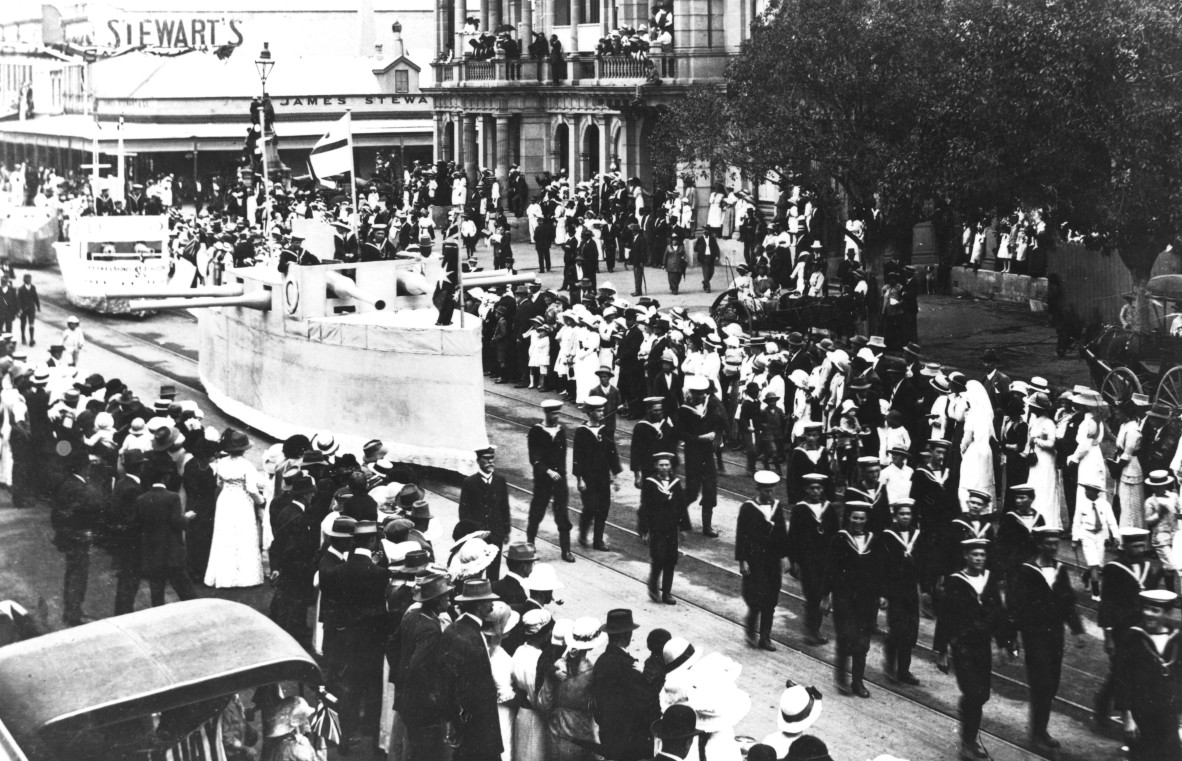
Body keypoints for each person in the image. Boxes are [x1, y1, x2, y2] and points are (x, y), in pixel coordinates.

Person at [933, 539, 1014, 761]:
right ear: (966, 556)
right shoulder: (956, 582)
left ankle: (968, 732)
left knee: (982, 695)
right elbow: (946, 618)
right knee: (974, 693)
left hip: (983, 648)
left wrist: (1004, 644)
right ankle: (968, 742)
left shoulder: (989, 581)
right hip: (963, 648)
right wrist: (942, 650)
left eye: (982, 555)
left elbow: (998, 613)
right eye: (974, 554)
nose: (979, 558)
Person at [1007, 526, 1084, 751]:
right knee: (1042, 683)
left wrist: (1077, 629)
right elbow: (1015, 605)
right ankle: (1037, 734)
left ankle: (1040, 729)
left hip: (1055, 636)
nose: (1053, 547)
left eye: (1056, 543)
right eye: (1049, 543)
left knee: (1052, 685)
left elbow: (1068, 602)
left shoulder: (1060, 570)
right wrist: (1012, 637)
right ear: (1039, 543)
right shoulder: (1026, 570)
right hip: (1034, 636)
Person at [1094, 527, 1163, 728]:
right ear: (1125, 546)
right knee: (1118, 672)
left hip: (1141, 630)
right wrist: (1108, 636)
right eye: (1135, 546)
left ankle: (1132, 714)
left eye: (1142, 545)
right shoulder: (1114, 568)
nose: (1140, 549)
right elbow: (1106, 603)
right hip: (1120, 629)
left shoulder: (1148, 567)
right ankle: (1102, 707)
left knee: (1136, 671)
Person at [1113, 589, 1181, 761]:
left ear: (1168, 613)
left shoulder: (1177, 639)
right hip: (1141, 714)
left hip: (1169, 713)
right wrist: (1127, 718)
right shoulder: (1132, 638)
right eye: (1146, 608)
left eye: (1155, 610)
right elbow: (1122, 679)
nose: (1148, 614)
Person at [395, 573, 452, 761]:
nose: (449, 598)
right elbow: (417, 666)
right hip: (423, 705)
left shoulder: (412, 616)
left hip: (406, 697)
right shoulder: (432, 628)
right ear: (436, 600)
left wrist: (400, 677)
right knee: (426, 752)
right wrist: (432, 695)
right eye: (445, 596)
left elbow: (391, 645)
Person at [824, 501, 878, 697]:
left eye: (862, 518)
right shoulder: (840, 539)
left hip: (867, 602)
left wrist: (881, 595)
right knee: (846, 639)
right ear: (848, 518)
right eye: (855, 517)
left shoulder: (872, 540)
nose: (858, 521)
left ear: (866, 520)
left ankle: (858, 682)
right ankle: (841, 679)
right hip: (844, 600)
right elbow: (829, 569)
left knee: (862, 644)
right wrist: (826, 596)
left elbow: (879, 571)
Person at [591, 609, 656, 761]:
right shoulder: (628, 667)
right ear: (627, 635)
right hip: (629, 740)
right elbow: (643, 705)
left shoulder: (601, 661)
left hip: (607, 733)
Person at [204, 430, 266, 588]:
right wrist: (261, 500)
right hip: (241, 500)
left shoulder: (221, 463)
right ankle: (244, 577)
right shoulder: (247, 466)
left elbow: (219, 483)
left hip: (225, 499)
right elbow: (252, 489)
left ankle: (223, 576)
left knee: (224, 535)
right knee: (243, 535)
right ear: (244, 449)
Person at [736, 470, 789, 650]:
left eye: (771, 491)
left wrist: (785, 555)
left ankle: (765, 637)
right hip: (755, 560)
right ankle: (751, 627)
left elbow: (782, 532)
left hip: (772, 561)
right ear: (758, 490)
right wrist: (742, 560)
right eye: (765, 491)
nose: (769, 494)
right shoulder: (748, 508)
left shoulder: (777, 506)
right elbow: (741, 535)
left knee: (771, 599)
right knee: (755, 597)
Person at [134, 462, 199, 607]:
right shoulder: (172, 497)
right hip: (172, 551)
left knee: (156, 590)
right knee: (184, 588)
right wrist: (187, 517)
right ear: (165, 478)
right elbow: (177, 522)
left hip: (153, 552)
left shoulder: (141, 499)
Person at [787, 473, 838, 645]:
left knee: (823, 592)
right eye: (812, 488)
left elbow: (835, 534)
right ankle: (811, 630)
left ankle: (814, 629)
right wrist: (793, 560)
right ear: (806, 489)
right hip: (807, 560)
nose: (815, 491)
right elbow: (793, 536)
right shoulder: (800, 509)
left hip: (825, 558)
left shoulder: (828, 508)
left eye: (818, 488)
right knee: (812, 595)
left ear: (822, 489)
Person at [876, 499, 923, 685]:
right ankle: (890, 664)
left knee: (911, 630)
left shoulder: (916, 535)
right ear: (895, 516)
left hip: (911, 590)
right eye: (902, 514)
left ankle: (904, 670)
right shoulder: (888, 536)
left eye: (908, 514)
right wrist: (882, 593)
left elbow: (922, 560)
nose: (905, 517)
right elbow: (881, 566)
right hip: (894, 590)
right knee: (897, 629)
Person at [52, 454, 103, 626]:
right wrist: (84, 533)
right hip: (77, 538)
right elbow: (81, 513)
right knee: (78, 576)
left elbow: (58, 515)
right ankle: (74, 613)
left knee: (73, 574)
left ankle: (72, 610)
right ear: (84, 467)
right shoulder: (79, 487)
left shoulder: (68, 484)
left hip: (68, 537)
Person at [638, 452, 690, 604]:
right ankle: (653, 584)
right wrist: (644, 529)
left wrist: (683, 528)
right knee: (659, 557)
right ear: (656, 466)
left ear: (670, 466)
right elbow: (645, 507)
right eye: (661, 465)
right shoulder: (650, 483)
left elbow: (681, 506)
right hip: (656, 528)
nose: (664, 467)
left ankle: (667, 593)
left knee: (671, 559)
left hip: (671, 528)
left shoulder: (676, 483)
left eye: (667, 464)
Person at [527, 400, 574, 561]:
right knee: (536, 513)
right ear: (546, 413)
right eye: (554, 413)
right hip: (542, 480)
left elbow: (563, 456)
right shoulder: (536, 431)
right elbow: (534, 458)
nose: (557, 416)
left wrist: (561, 474)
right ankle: (530, 546)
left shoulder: (560, 431)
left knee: (562, 514)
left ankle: (566, 550)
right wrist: (548, 471)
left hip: (559, 479)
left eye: (558, 413)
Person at [572, 396, 621, 550]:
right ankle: (583, 533)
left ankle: (598, 540)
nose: (602, 413)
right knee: (591, 506)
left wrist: (616, 475)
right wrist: (579, 479)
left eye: (602, 410)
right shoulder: (582, 432)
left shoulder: (604, 429)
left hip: (603, 476)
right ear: (590, 412)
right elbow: (577, 456)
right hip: (588, 477)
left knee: (604, 508)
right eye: (598, 410)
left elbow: (612, 452)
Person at [459, 446, 512, 579]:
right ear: (478, 461)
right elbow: (464, 512)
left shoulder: (500, 481)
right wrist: (468, 535)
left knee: (494, 570)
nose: (490, 462)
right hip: (478, 535)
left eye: (492, 458)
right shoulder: (469, 483)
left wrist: (506, 531)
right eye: (486, 459)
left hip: (496, 534)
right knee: (475, 569)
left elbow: (504, 507)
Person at [677, 375, 720, 538]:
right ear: (691, 393)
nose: (700, 396)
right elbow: (681, 432)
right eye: (696, 393)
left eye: (702, 393)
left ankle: (707, 527)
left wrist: (716, 434)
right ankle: (677, 513)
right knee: (692, 491)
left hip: (707, 455)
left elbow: (720, 422)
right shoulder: (684, 410)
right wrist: (698, 438)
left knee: (710, 491)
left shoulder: (711, 406)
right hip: (693, 454)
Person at [1072, 479, 1121, 600]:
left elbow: (1112, 521)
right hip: (1086, 535)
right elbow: (1076, 522)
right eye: (1085, 489)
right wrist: (1074, 539)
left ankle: (1086, 575)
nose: (1085, 491)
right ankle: (1096, 593)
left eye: (1088, 490)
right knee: (1093, 564)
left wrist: (1116, 535)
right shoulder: (1081, 504)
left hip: (1100, 536)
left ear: (1095, 492)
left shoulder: (1105, 505)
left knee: (1098, 564)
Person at [17, 274, 38, 346]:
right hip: (23, 309)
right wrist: (19, 309)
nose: (28, 281)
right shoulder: (21, 289)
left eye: (29, 279)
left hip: (31, 309)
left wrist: (38, 306)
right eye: (27, 279)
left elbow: (35, 297)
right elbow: (18, 300)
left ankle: (31, 339)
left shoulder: (33, 287)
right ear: (24, 280)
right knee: (23, 324)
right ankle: (23, 337)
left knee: (31, 323)